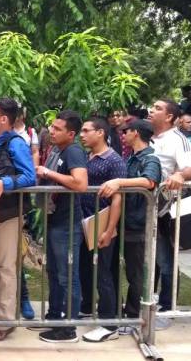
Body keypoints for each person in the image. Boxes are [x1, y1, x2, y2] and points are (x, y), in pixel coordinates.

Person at [0, 98, 35, 341]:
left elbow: (29, 176)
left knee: (6, 267)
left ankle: (5, 321)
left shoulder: (16, 143)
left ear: (4, 119)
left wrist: (6, 183)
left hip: (8, 215)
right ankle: (1, 310)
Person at [99, 119, 161, 326]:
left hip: (139, 223)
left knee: (137, 274)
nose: (123, 135)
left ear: (136, 133)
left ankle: (135, 316)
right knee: (123, 270)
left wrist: (119, 182)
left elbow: (149, 181)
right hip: (124, 222)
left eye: (126, 131)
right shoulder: (130, 157)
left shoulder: (150, 158)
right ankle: (123, 311)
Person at [35, 110, 88, 342]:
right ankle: (54, 317)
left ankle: (68, 327)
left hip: (67, 223)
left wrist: (49, 173)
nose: (52, 132)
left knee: (67, 275)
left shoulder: (74, 151)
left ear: (71, 133)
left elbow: (80, 183)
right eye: (52, 127)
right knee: (54, 273)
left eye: (57, 129)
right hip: (53, 219)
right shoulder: (58, 149)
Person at [78, 117, 126, 343]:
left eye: (86, 131)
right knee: (89, 269)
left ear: (100, 133)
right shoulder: (87, 156)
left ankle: (109, 324)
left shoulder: (114, 160)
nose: (82, 134)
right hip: (86, 221)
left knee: (103, 273)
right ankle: (88, 307)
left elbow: (118, 200)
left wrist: (109, 231)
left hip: (103, 222)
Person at [147, 99, 191, 318]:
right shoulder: (147, 137)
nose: (151, 110)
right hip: (145, 209)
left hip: (166, 209)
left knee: (165, 260)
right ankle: (149, 300)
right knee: (149, 259)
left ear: (169, 117)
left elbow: (190, 168)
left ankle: (168, 307)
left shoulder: (178, 139)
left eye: (157, 108)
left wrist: (179, 175)